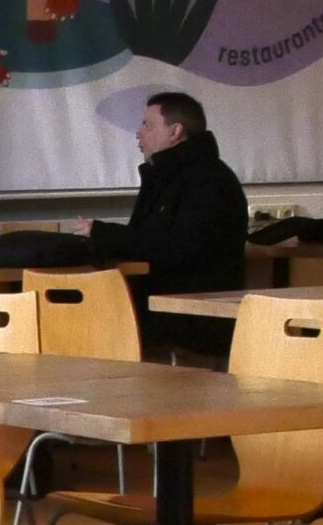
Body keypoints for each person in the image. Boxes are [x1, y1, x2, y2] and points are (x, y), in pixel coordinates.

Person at [72, 92, 248, 353]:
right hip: (157, 302)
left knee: (81, 319)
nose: (138, 134)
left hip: (187, 313)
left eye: (147, 125)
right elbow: (148, 240)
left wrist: (103, 233)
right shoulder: (164, 176)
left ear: (175, 132)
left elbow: (179, 248)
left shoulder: (209, 180)